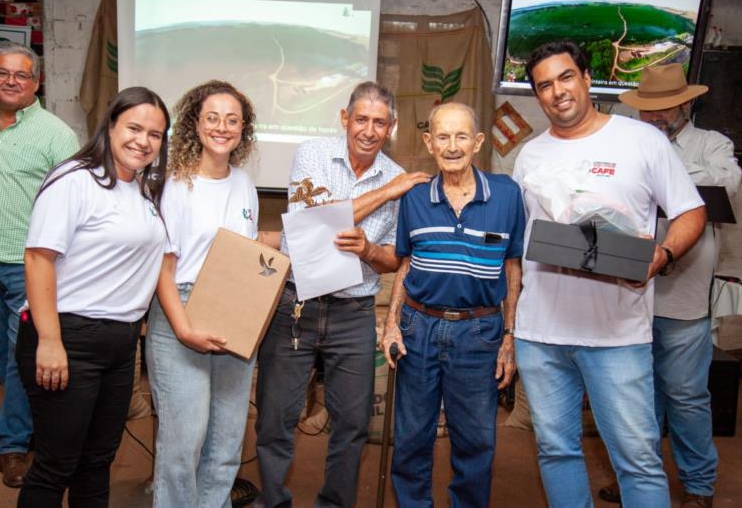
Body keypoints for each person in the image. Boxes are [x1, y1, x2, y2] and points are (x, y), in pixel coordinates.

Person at [511, 41, 707, 508]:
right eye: (544, 85)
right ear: (537, 96)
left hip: (617, 335)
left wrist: (660, 256)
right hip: (540, 335)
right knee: (555, 451)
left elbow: (691, 212)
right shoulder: (528, 156)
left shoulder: (642, 141)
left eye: (565, 77)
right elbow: (520, 246)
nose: (557, 92)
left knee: (637, 460)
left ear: (586, 78)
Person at [255, 81, 429, 508]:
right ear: (345, 119)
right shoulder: (313, 154)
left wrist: (369, 250)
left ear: (392, 127)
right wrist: (387, 192)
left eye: (379, 122)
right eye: (362, 119)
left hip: (353, 311)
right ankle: (273, 502)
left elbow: (393, 260)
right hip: (296, 304)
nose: (369, 130)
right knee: (275, 419)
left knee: (351, 424)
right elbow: (315, 222)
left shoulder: (397, 176)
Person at [591, 64, 742, 508]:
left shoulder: (711, 145)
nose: (653, 118)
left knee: (686, 395)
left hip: (683, 299)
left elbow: (725, 185)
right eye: (647, 110)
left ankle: (698, 486)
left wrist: (663, 175)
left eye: (664, 109)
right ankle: (638, 478)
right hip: (628, 295)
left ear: (686, 104)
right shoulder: (625, 142)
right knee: (635, 398)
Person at [15, 86, 170, 507]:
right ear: (111, 125)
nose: (143, 141)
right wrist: (49, 341)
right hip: (67, 337)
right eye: (134, 128)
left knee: (98, 461)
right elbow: (38, 259)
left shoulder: (139, 190)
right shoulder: (74, 180)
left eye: (155, 134)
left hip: (120, 344)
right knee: (55, 464)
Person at [381, 102, 524, 507]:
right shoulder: (413, 198)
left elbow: (512, 269)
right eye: (442, 136)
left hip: (479, 333)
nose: (452, 146)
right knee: (411, 438)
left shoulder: (508, 195)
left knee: (476, 441)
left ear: (478, 142)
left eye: (462, 136)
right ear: (429, 143)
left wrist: (510, 337)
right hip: (418, 328)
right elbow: (407, 264)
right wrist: (392, 323)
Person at [0, 41, 79, 487]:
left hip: (28, 263)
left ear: (36, 82)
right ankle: (29, 427)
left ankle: (13, 444)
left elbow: (73, 202)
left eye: (21, 75)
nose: (11, 80)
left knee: (17, 353)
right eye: (3, 72)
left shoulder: (57, 134)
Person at [145, 80, 275, 507]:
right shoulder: (175, 184)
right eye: (212, 118)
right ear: (195, 125)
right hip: (180, 308)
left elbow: (245, 248)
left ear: (244, 129)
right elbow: (163, 266)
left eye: (232, 120)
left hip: (234, 309)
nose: (222, 127)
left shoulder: (244, 184)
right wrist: (183, 330)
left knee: (226, 439)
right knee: (185, 440)